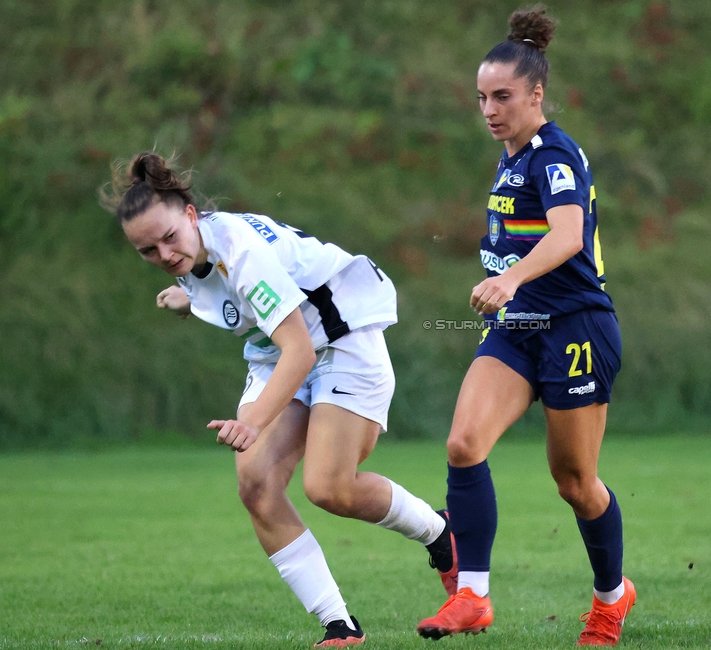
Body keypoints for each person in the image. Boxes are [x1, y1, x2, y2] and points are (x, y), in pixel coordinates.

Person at [103, 152, 457, 648]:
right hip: (281, 350)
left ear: (190, 214)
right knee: (255, 483)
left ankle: (441, 534)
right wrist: (191, 298)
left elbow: (301, 349)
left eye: (168, 239)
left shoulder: (241, 253)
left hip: (341, 338)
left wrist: (252, 423)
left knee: (329, 488)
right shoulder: (193, 252)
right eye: (148, 251)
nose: (163, 255)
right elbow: (226, 291)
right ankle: (340, 625)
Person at [415, 5, 635, 647]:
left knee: (574, 482)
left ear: (536, 94)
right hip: (519, 327)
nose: (489, 108)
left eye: (503, 96)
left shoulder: (553, 154)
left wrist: (510, 278)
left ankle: (610, 597)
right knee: (463, 444)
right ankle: (473, 597)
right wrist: (507, 283)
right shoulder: (510, 159)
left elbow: (568, 234)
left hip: (576, 329)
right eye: (481, 96)